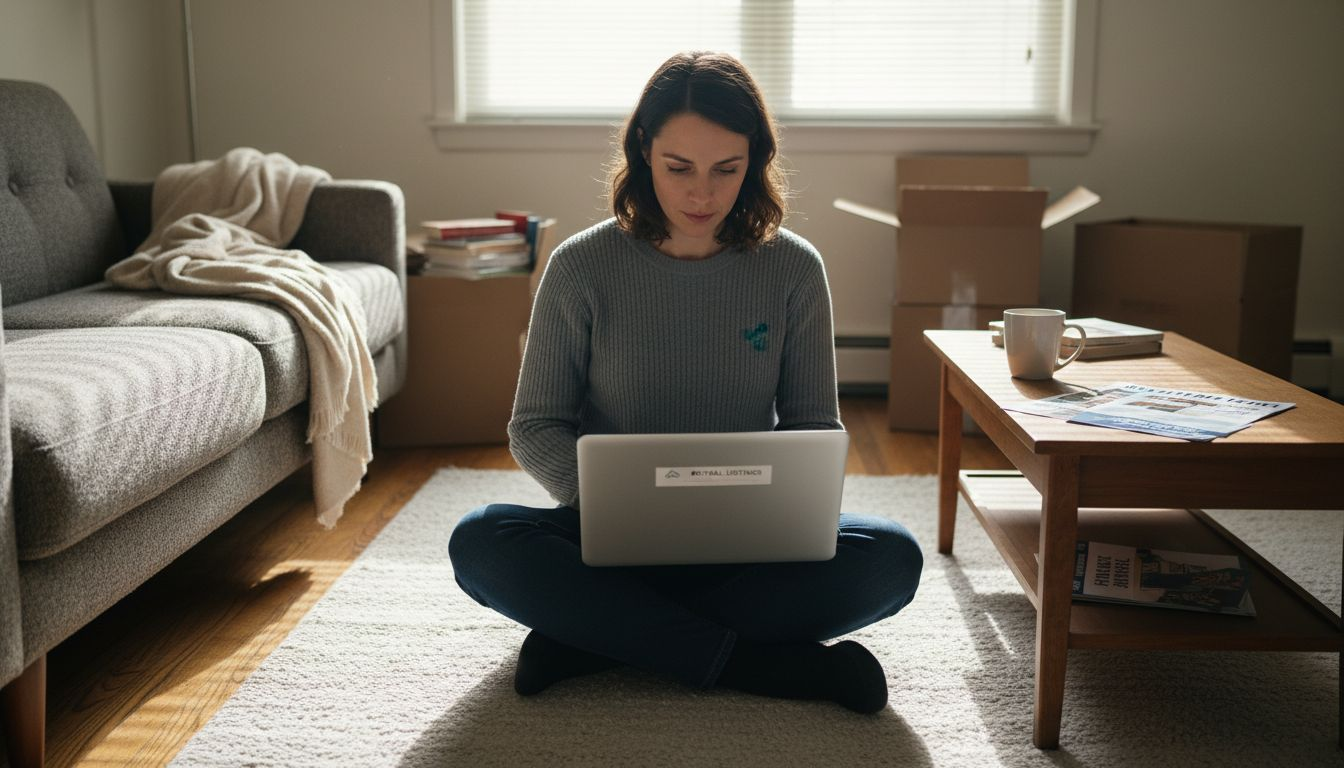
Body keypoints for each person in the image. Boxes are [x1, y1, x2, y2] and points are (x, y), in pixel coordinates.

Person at [448, 51, 922, 714]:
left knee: (891, 558)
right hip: (608, 542)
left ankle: (595, 641)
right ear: (645, 150)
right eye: (679, 168)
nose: (702, 194)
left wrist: (784, 504)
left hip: (749, 545)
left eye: (727, 169)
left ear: (754, 160)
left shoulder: (793, 269)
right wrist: (615, 503)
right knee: (481, 541)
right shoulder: (580, 267)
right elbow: (534, 427)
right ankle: (765, 665)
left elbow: (815, 426)